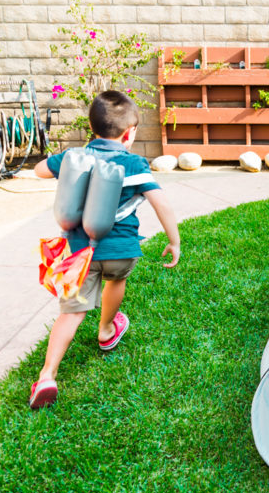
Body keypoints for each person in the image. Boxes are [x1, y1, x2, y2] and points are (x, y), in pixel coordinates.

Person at [28, 90, 181, 410]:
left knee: (71, 312)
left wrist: (64, 165)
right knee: (115, 282)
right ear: (130, 133)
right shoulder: (134, 163)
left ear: (91, 128)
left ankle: (46, 375)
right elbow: (160, 201)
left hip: (80, 255)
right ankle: (107, 329)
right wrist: (174, 239)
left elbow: (40, 170)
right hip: (120, 251)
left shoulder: (74, 157)